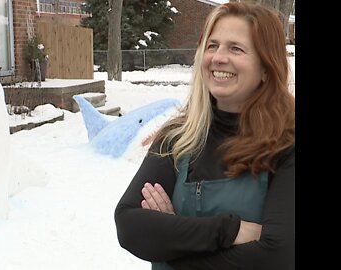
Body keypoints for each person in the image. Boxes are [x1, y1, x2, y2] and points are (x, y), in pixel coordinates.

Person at [114, 2, 294, 270]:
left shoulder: (287, 144)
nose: (218, 58)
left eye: (236, 48)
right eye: (213, 46)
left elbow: (278, 256)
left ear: (266, 67)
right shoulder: (178, 138)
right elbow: (129, 225)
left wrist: (172, 243)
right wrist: (231, 231)